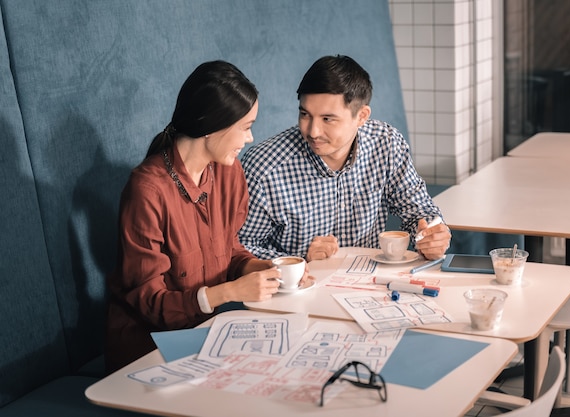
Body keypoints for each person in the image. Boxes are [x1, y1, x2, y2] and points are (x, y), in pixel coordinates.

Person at [105, 61, 306, 373]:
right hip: (148, 351)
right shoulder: (147, 190)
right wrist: (227, 292)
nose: (250, 138)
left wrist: (264, 269)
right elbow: (149, 301)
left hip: (207, 337)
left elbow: (230, 250)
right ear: (213, 125)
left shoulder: (229, 173)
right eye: (246, 126)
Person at [239, 55, 451, 262]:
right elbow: (241, 247)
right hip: (296, 292)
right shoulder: (264, 168)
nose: (313, 131)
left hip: (368, 285)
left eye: (327, 119)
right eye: (305, 114)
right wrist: (299, 260)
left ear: (361, 117)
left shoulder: (386, 144)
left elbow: (418, 212)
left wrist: (432, 236)